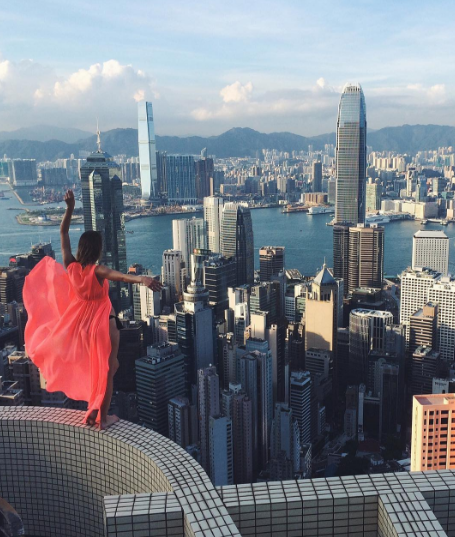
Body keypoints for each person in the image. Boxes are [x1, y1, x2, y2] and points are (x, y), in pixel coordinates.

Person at [23, 190, 161, 429]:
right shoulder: (96, 271)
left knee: (98, 367)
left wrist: (69, 208)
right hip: (104, 324)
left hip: (82, 328)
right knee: (109, 369)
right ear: (96, 250)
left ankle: (93, 409)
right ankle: (103, 417)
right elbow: (119, 276)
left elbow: (63, 232)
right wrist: (143, 280)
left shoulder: (71, 267)